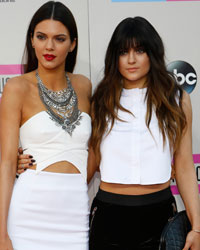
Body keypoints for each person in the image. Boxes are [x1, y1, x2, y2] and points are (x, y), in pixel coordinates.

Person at [17, 16, 200, 250]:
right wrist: (29, 166)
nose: (131, 60)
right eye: (124, 52)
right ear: (115, 56)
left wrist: (196, 227)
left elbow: (184, 165)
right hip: (108, 218)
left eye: (140, 50)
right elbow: (87, 159)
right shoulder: (101, 99)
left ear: (152, 53)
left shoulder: (177, 98)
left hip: (159, 215)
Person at [0, 1, 91, 250]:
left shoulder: (85, 86)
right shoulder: (16, 88)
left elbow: (94, 151)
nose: (49, 46)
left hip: (75, 212)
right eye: (41, 37)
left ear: (72, 44)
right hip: (29, 210)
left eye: (59, 39)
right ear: (32, 40)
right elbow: (7, 162)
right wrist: (1, 234)